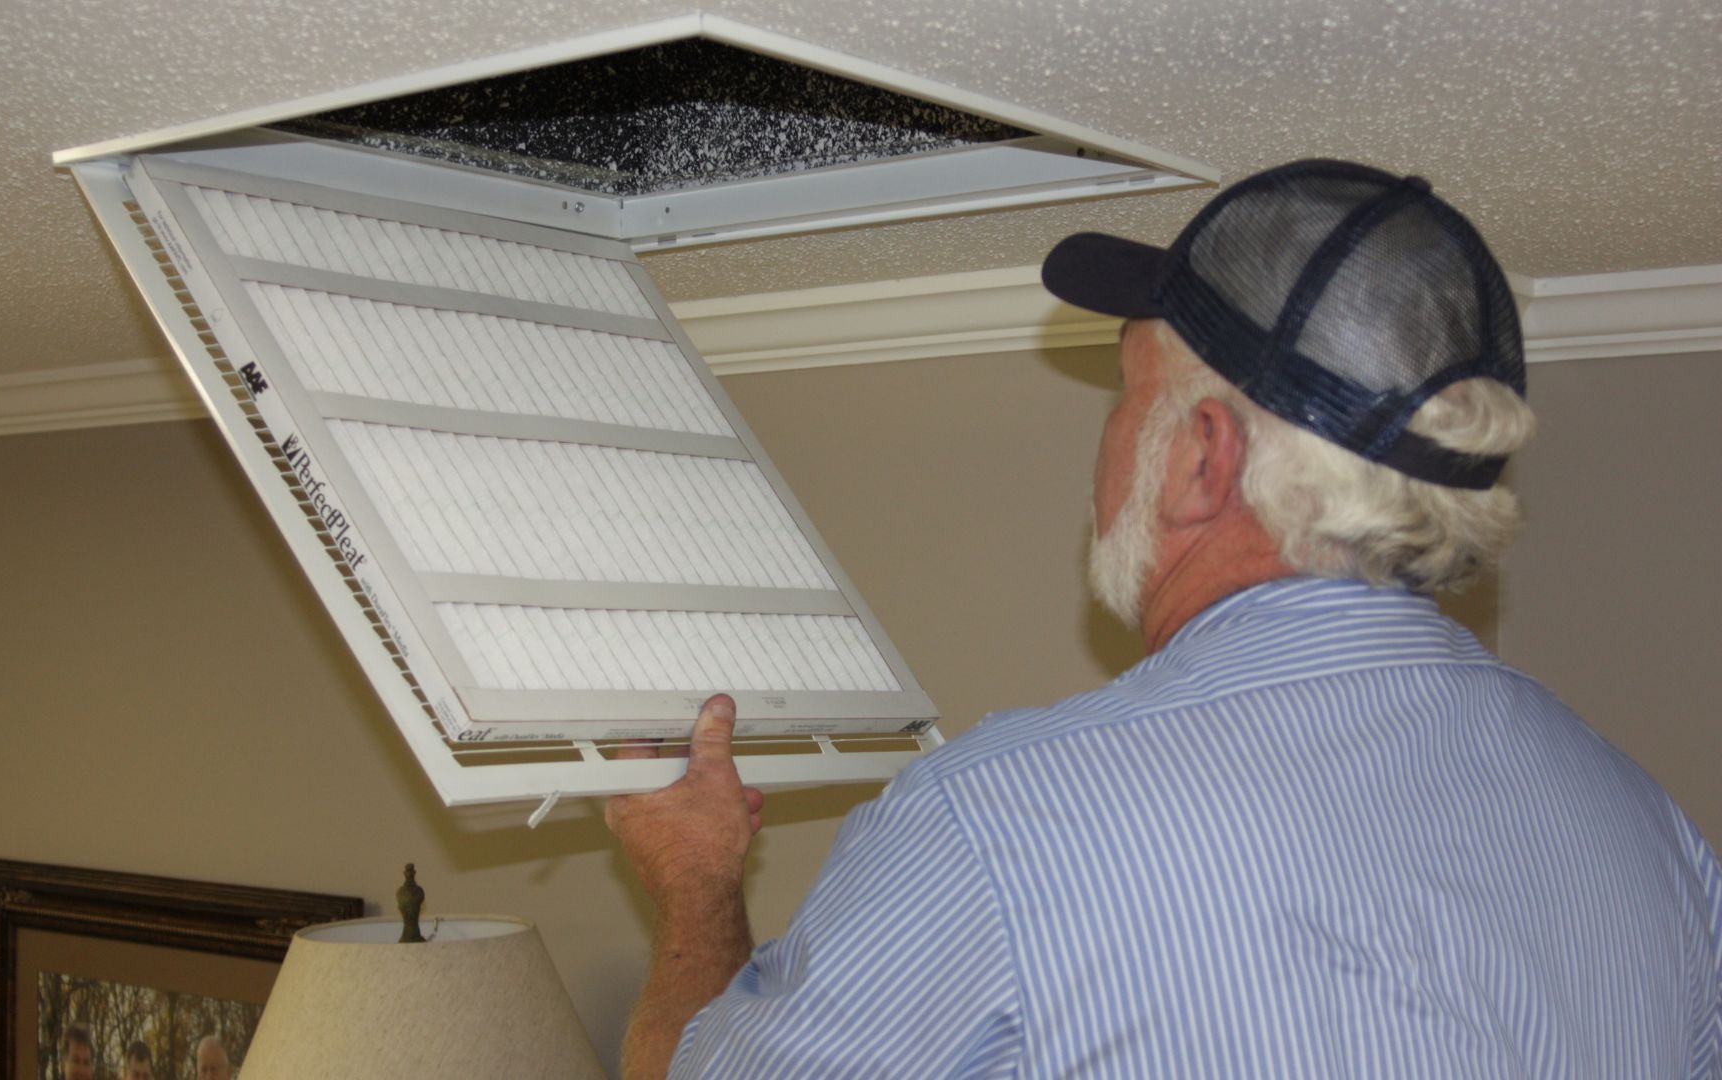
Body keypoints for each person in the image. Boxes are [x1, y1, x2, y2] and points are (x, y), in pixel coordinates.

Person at [607, 159, 1722, 1077]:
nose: (1106, 441)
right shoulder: (1650, 835)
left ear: (1201, 458)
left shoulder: (1000, 821)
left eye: (1127, 393)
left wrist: (697, 878)